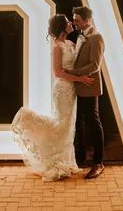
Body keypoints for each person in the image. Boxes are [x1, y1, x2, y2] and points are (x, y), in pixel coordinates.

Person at [10, 14, 94, 182]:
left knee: (69, 125)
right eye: (68, 22)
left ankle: (65, 161)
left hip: (71, 90)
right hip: (62, 89)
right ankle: (29, 121)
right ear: (63, 27)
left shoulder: (69, 43)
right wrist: (81, 79)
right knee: (61, 123)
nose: (71, 23)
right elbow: (58, 72)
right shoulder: (57, 47)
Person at [67, 6, 106, 179]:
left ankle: (98, 163)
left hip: (89, 86)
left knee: (93, 124)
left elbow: (94, 66)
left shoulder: (96, 37)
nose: (74, 22)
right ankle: (81, 158)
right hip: (79, 86)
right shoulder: (81, 36)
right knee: (79, 123)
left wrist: (72, 74)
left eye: (76, 20)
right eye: (74, 19)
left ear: (86, 20)